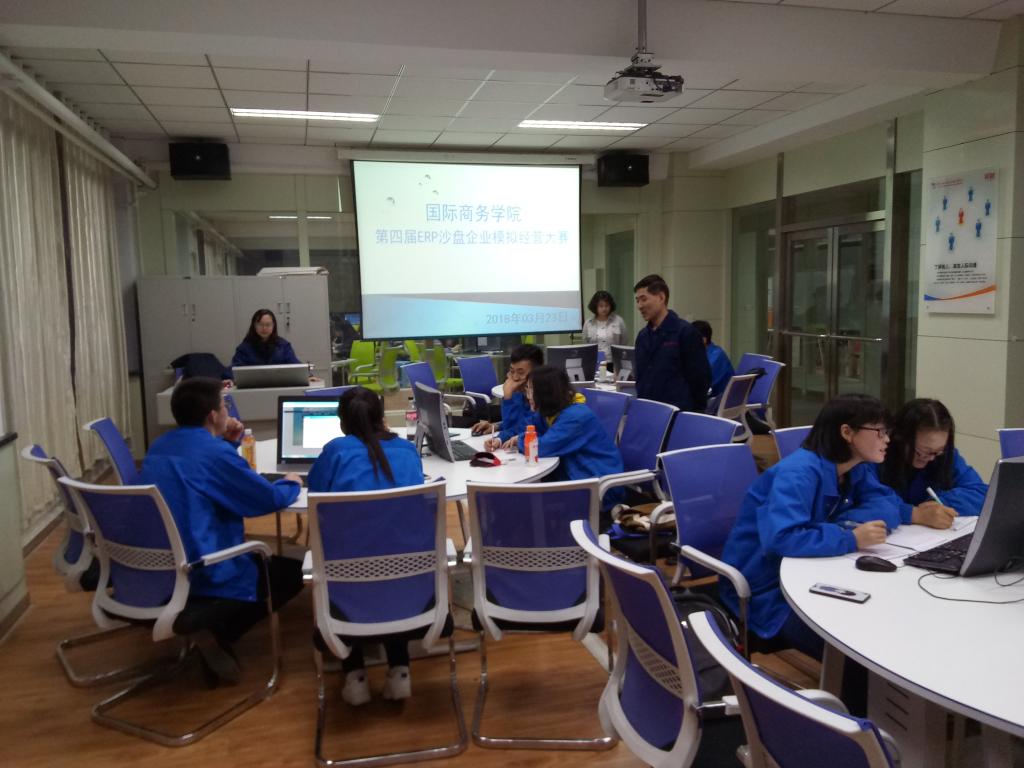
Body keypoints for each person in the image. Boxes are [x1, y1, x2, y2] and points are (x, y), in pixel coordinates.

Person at [139, 377, 304, 684]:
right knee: (292, 574)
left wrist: (228, 444)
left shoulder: (160, 446)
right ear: (213, 415)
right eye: (224, 405)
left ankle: (207, 626)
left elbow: (203, 479)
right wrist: (292, 483)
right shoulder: (213, 454)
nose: (228, 410)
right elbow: (265, 499)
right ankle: (215, 628)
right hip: (204, 568)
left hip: (161, 566)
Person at [719, 394, 897, 658]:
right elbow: (782, 539)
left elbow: (888, 505)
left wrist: (844, 526)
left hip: (816, 573)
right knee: (855, 651)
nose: (887, 440)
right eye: (880, 432)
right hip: (768, 592)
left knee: (881, 622)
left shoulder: (856, 467)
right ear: (847, 432)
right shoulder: (798, 473)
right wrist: (849, 537)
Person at [307, 386, 425, 706]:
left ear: (342, 422)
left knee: (354, 558)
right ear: (382, 418)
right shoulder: (407, 451)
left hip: (349, 581)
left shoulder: (335, 451)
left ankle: (355, 675)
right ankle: (400, 670)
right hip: (408, 582)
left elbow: (315, 494)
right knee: (390, 553)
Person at [487, 365, 624, 518]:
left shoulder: (576, 417)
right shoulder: (551, 412)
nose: (528, 395)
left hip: (597, 485)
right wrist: (501, 438)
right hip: (572, 476)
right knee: (515, 503)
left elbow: (542, 447)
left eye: (531, 390)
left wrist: (520, 439)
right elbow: (523, 427)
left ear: (545, 393)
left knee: (520, 507)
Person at [875, 398, 988, 527]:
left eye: (937, 451)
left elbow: (982, 493)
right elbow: (867, 503)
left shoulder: (944, 456)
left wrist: (940, 504)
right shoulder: (876, 456)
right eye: (922, 451)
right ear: (901, 438)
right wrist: (914, 513)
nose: (931, 458)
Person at [632, 274, 711, 412]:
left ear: (661, 297)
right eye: (637, 301)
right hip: (648, 411)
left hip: (678, 414)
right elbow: (641, 377)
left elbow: (700, 379)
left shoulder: (685, 333)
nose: (640, 306)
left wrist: (693, 414)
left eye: (644, 299)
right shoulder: (643, 336)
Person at [470, 343, 544, 443]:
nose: (515, 378)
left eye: (521, 372)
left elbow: (523, 430)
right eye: (512, 371)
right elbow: (517, 424)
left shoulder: (544, 397)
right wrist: (496, 426)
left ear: (538, 372)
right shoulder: (518, 391)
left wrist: (508, 397)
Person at [231, 308, 302, 367]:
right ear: (254, 326)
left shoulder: (283, 346)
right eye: (260, 324)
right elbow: (235, 369)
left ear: (273, 326)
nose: (264, 328)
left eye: (268, 325)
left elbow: (296, 366)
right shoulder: (244, 348)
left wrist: (306, 373)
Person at [582, 290, 627, 366]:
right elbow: (585, 343)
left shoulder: (618, 321)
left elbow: (624, 341)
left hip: (614, 361)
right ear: (595, 306)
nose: (604, 308)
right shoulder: (588, 323)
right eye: (601, 306)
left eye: (607, 305)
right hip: (594, 362)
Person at [691, 320, 735, 399]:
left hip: (720, 401)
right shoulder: (703, 352)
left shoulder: (716, 357)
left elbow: (699, 384)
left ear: (703, 340)